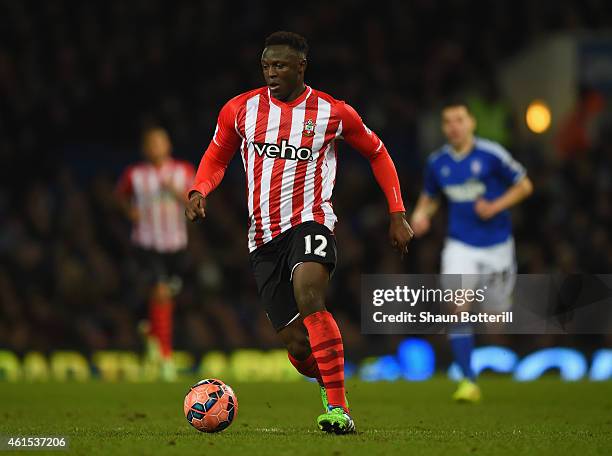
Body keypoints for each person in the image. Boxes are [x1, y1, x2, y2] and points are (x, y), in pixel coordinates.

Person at [185, 31, 413, 433]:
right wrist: (199, 189)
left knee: (309, 293)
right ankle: (327, 381)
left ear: (301, 67)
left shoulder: (333, 112)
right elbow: (216, 156)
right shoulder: (240, 109)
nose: (272, 73)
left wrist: (397, 212)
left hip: (311, 220)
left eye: (281, 66)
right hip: (263, 238)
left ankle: (339, 410)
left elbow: (377, 153)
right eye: (267, 66)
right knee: (298, 346)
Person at [410, 100, 533, 402]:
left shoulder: (491, 154)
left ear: (471, 123)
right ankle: (468, 380)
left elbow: (525, 186)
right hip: (460, 244)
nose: (454, 126)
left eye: (459, 120)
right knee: (457, 306)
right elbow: (431, 195)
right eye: (448, 121)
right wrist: (419, 215)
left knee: (496, 319)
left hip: (498, 246)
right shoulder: (438, 162)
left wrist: (495, 206)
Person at [116, 126, 195, 381]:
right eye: (150, 143)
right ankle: (166, 357)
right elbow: (118, 197)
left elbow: (196, 201)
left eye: (159, 142)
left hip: (176, 246)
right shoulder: (135, 174)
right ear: (144, 148)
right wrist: (129, 212)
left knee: (165, 299)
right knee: (161, 292)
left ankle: (150, 335)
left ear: (168, 145)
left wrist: (177, 193)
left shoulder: (182, 171)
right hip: (147, 244)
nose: (155, 148)